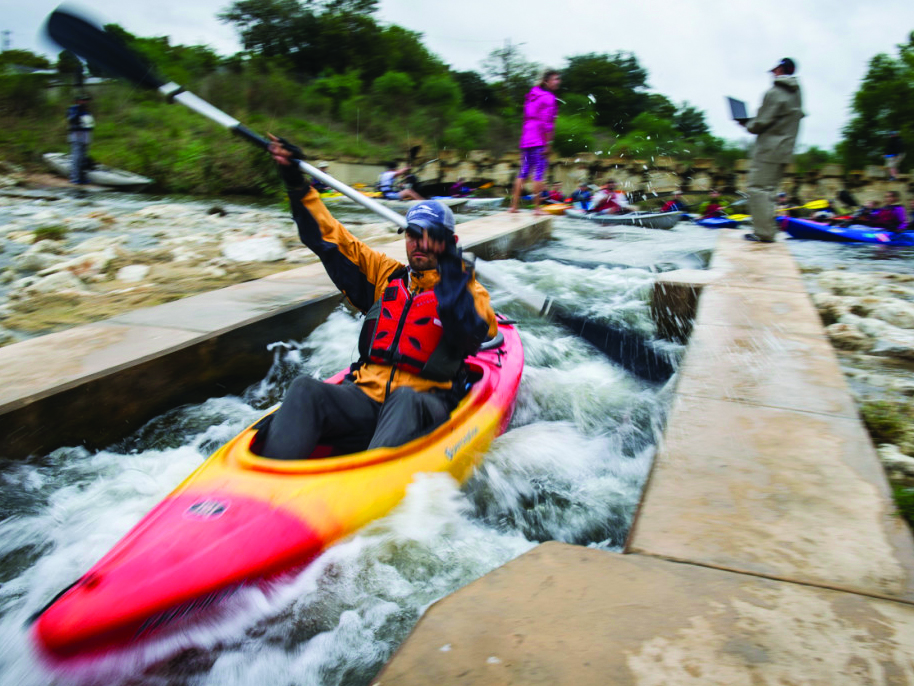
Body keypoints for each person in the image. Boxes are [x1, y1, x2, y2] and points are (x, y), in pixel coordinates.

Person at [255, 135, 497, 461]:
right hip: (365, 400)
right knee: (304, 389)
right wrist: (296, 183)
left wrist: (453, 277)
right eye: (413, 235)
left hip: (424, 406)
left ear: (449, 242)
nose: (419, 244)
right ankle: (273, 480)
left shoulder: (469, 290)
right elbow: (330, 238)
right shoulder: (385, 276)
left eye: (431, 237)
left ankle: (364, 487)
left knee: (404, 398)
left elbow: (478, 332)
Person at [737, 57, 804, 242]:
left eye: (774, 70)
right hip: (785, 150)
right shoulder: (797, 93)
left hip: (769, 149)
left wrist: (746, 123)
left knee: (758, 189)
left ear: (780, 70)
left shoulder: (775, 92)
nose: (772, 73)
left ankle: (764, 233)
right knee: (769, 191)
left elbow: (760, 123)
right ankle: (767, 231)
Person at [510, 69, 561, 214]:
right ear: (546, 81)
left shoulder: (531, 95)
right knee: (539, 173)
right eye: (555, 79)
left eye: (558, 79)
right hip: (539, 139)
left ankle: (513, 207)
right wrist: (548, 144)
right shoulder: (549, 98)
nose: (558, 82)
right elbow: (548, 123)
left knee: (523, 173)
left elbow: (526, 118)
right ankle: (537, 208)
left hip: (527, 138)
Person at [66, 93, 94, 185]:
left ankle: (83, 177)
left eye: (86, 100)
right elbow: (71, 119)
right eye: (83, 100)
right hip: (77, 134)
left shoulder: (86, 110)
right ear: (78, 101)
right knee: (77, 157)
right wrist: (78, 112)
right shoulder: (73, 108)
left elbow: (89, 122)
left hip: (85, 134)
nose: (85, 102)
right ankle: (75, 178)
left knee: (83, 156)